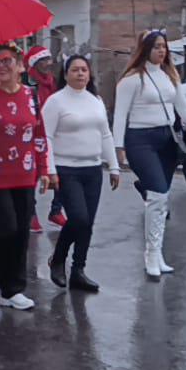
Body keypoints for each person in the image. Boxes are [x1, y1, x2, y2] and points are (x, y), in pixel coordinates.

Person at [112, 29, 186, 280]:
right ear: (145, 49)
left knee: (161, 197)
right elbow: (119, 115)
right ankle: (150, 253)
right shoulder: (132, 79)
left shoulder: (170, 76)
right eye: (156, 46)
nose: (161, 50)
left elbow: (184, 107)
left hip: (168, 139)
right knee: (157, 195)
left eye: (164, 46)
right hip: (140, 140)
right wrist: (118, 149)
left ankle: (157, 253)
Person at [0, 43, 50, 310]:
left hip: (25, 174)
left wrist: (45, 169)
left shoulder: (31, 95)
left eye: (8, 61)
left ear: (20, 67)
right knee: (8, 229)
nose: (2, 67)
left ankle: (13, 288)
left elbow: (39, 135)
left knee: (22, 234)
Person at [42, 55, 120, 292]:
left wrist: (113, 165)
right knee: (79, 218)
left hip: (93, 169)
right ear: (65, 74)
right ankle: (58, 258)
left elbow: (105, 134)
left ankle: (78, 270)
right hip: (67, 170)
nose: (80, 74)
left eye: (84, 70)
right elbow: (46, 137)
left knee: (87, 224)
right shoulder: (56, 102)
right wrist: (50, 169)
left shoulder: (95, 100)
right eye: (74, 70)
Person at [24, 45, 64, 233]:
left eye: (49, 60)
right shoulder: (29, 83)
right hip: (33, 133)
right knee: (31, 174)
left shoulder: (53, 82)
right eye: (44, 61)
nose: (48, 64)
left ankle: (56, 210)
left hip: (54, 133)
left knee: (61, 170)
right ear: (35, 64)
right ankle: (30, 213)